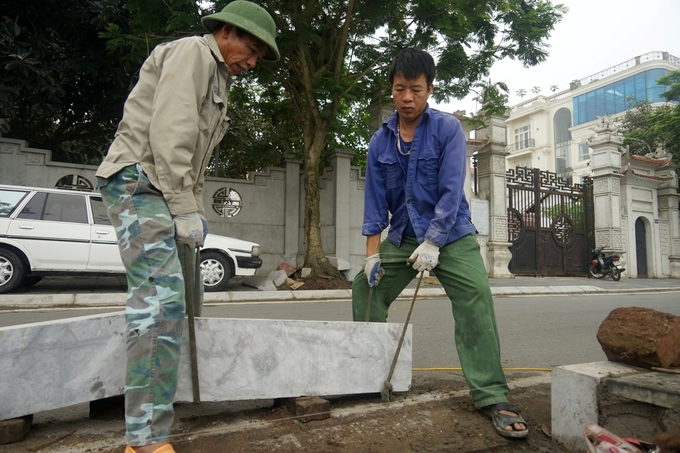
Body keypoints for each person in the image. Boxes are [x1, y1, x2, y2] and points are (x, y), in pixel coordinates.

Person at [95, 2, 279, 452]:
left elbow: (193, 161)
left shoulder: (218, 77)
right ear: (227, 32)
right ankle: (144, 440)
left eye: (258, 56)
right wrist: (181, 205)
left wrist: (191, 210)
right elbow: (171, 132)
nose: (253, 62)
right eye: (252, 49)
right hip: (140, 182)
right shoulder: (194, 54)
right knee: (162, 303)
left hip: (161, 188)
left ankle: (163, 405)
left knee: (186, 297)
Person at [352, 48, 528, 439]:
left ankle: (492, 395)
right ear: (392, 90)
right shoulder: (379, 142)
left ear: (429, 89)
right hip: (402, 237)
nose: (407, 98)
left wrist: (433, 242)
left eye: (416, 89)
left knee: (476, 298)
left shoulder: (447, 129)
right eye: (400, 89)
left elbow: (452, 192)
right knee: (365, 287)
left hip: (451, 235)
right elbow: (375, 205)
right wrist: (371, 255)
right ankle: (367, 377)